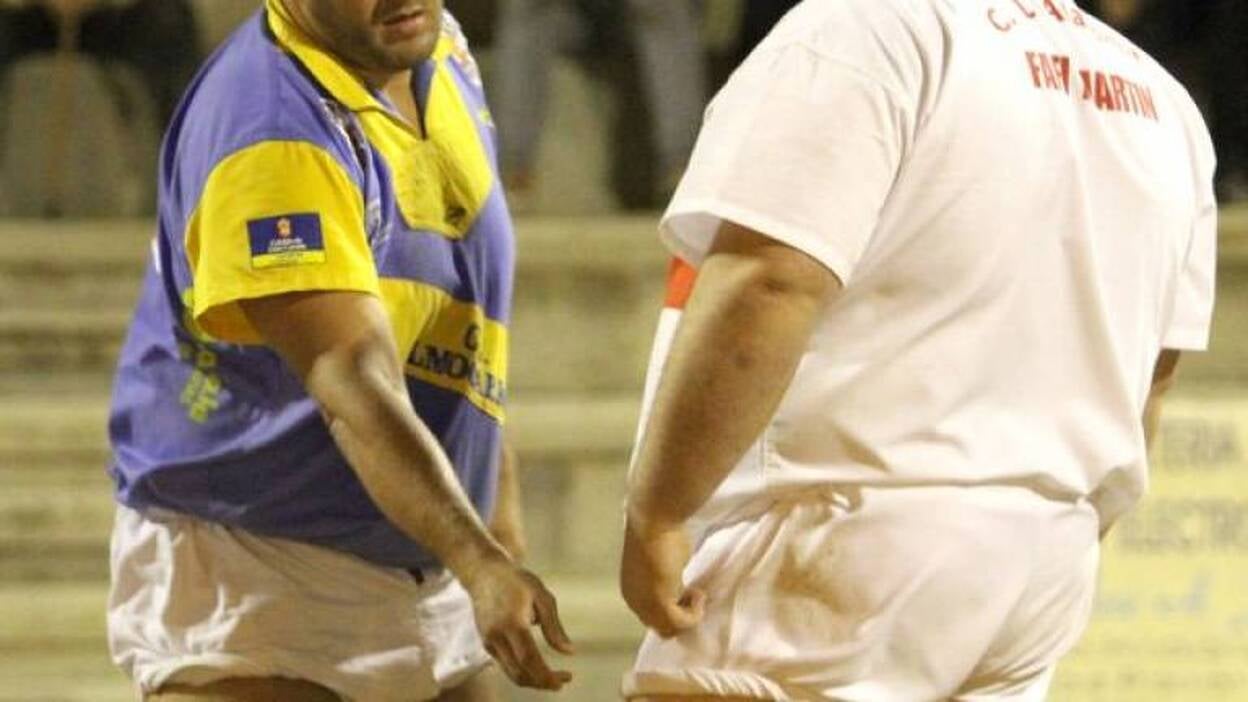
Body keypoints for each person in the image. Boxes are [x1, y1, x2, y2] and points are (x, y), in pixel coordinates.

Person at [619, 0, 1217, 700]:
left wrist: (659, 510)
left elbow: (772, 281)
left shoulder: (866, 27)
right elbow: (1154, 377)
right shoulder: (1163, 103)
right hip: (1045, 555)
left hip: (847, 526)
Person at [104, 1, 573, 700]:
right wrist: (478, 559)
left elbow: (457, 297)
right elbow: (351, 379)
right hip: (260, 567)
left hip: (420, 540)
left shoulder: (432, 44)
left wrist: (490, 488)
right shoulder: (272, 132)